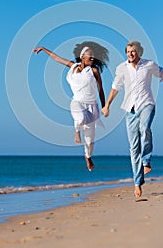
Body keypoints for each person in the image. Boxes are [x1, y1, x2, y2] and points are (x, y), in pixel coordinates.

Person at [102, 40, 163, 198]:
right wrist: (107, 105)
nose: (130, 54)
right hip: (130, 109)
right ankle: (137, 183)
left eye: (132, 51)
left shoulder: (149, 65)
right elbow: (115, 88)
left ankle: (146, 161)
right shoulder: (122, 68)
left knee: (144, 128)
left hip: (147, 104)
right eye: (127, 52)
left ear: (139, 52)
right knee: (133, 148)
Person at [33, 41, 109, 171]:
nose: (92, 58)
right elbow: (56, 58)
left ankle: (88, 156)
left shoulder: (94, 71)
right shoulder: (73, 66)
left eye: (93, 56)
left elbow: (100, 89)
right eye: (89, 56)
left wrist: (104, 106)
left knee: (90, 140)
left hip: (92, 106)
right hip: (77, 102)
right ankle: (76, 131)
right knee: (79, 119)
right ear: (82, 57)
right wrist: (43, 48)